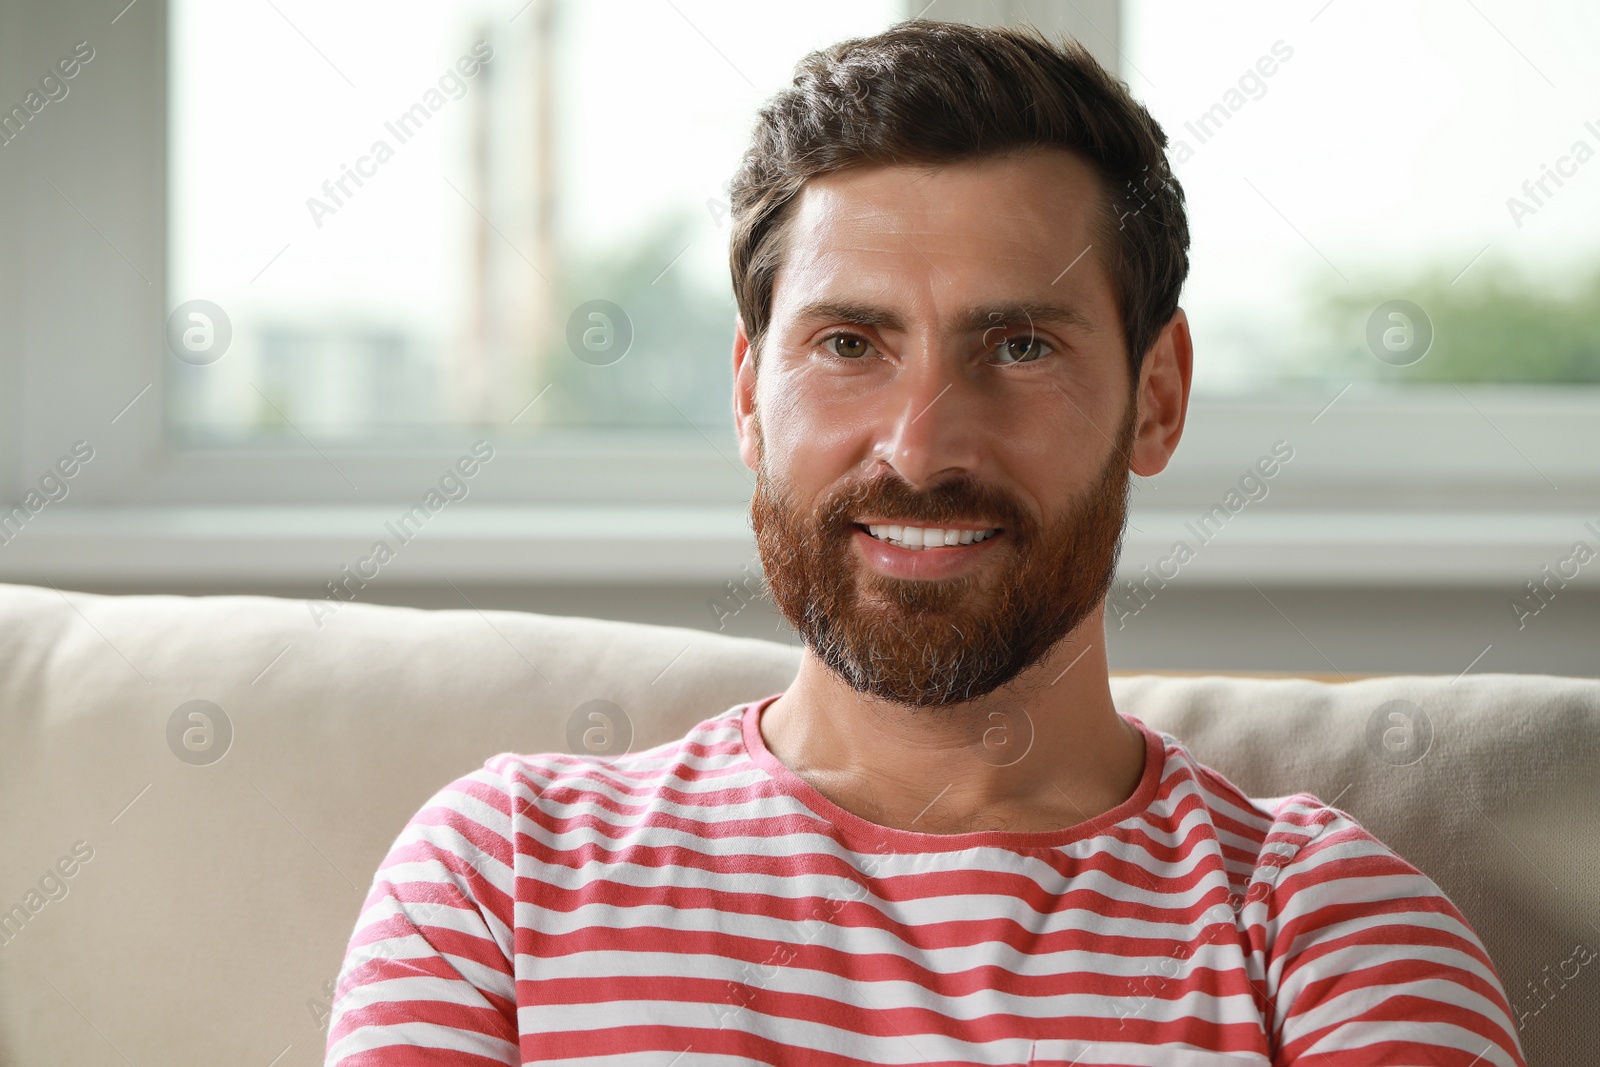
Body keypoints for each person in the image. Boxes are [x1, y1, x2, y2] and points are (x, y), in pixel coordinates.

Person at [326, 19, 1526, 1066]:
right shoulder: (502, 878)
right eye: (850, 343)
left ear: (1156, 396)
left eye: (1017, 347)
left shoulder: (1328, 933)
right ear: (749, 397)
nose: (920, 445)